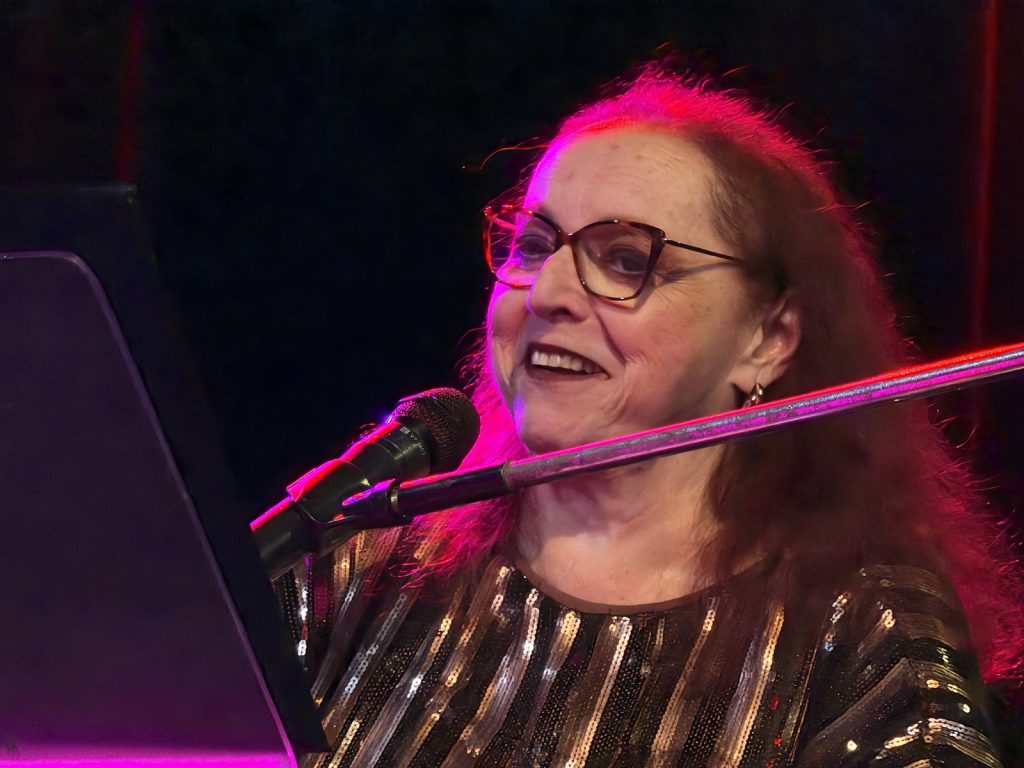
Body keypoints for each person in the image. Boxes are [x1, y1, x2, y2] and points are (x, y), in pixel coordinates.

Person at [275, 66, 1023, 766]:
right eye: (534, 246)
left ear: (767, 339)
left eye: (626, 261)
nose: (548, 294)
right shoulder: (357, 565)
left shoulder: (865, 632)